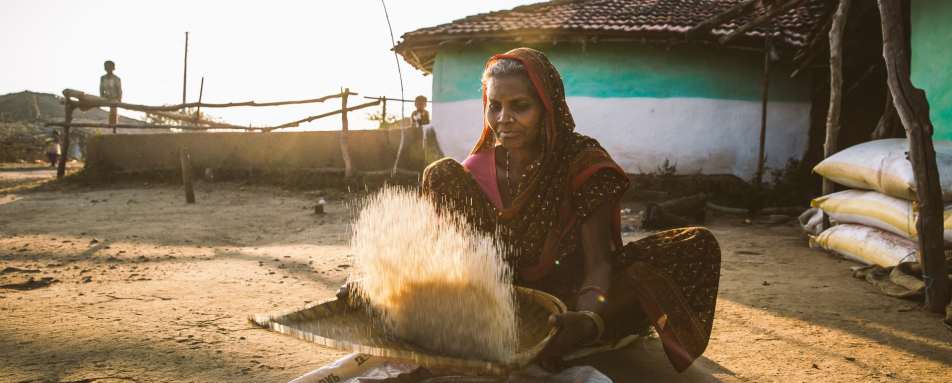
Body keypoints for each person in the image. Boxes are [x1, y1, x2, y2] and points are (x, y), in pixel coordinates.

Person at [420, 48, 721, 372]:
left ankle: (584, 332)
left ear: (547, 107)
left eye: (520, 106)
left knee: (695, 246)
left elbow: (599, 263)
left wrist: (588, 317)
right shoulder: (472, 172)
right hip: (502, 298)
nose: (503, 119)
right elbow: (454, 258)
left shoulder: (583, 162)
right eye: (494, 106)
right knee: (439, 173)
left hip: (575, 295)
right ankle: (497, 328)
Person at [100, 60, 122, 130]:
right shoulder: (103, 78)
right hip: (105, 98)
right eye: (106, 66)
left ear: (112, 68)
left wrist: (119, 99)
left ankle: (113, 127)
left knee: (113, 111)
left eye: (109, 66)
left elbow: (119, 90)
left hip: (114, 98)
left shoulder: (116, 79)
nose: (107, 68)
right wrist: (102, 97)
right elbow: (101, 89)